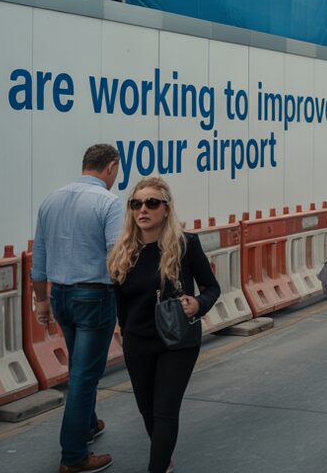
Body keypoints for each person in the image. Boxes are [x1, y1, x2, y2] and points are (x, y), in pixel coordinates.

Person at [109, 176, 219, 473]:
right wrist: (123, 331)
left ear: (166, 209)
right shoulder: (123, 251)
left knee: (165, 411)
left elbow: (211, 287)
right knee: (147, 410)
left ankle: (157, 468)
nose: (143, 210)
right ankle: (164, 458)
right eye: (136, 204)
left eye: (151, 203)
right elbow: (120, 302)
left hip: (177, 341)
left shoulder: (186, 245)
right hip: (137, 341)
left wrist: (198, 304)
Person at [32, 144, 126, 473]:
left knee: (79, 369)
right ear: (111, 168)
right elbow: (116, 256)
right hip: (94, 296)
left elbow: (39, 253)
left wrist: (41, 299)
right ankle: (73, 457)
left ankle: (87, 427)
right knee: (85, 377)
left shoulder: (51, 199)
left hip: (61, 296)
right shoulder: (110, 202)